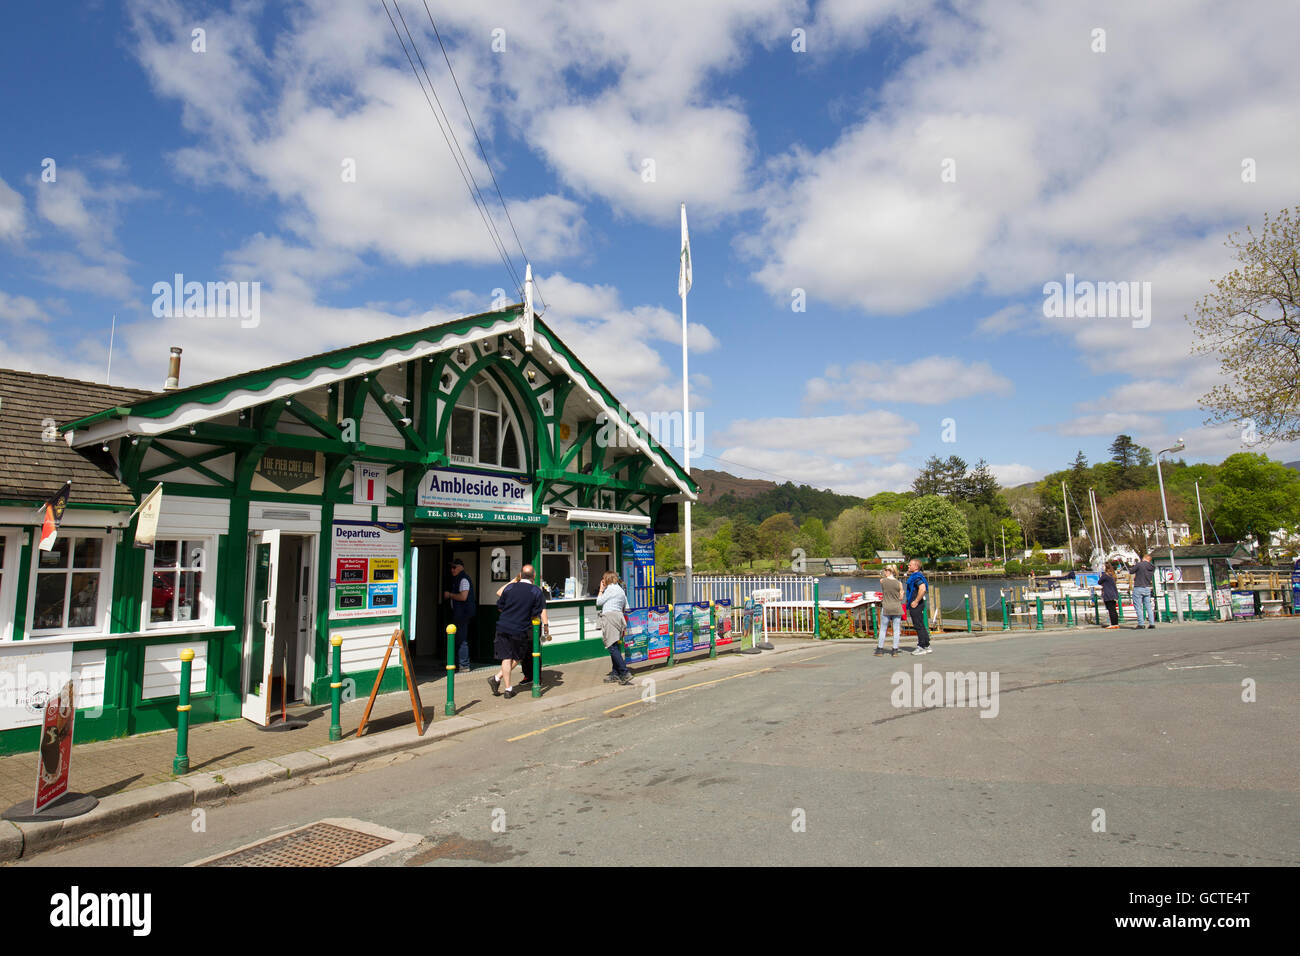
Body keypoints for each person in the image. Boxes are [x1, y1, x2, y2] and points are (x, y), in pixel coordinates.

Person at [490, 564, 548, 699]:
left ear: (520, 575)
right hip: (519, 629)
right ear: (534, 576)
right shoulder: (536, 591)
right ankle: (499, 681)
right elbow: (537, 612)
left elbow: (500, 606)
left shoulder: (510, 588)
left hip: (503, 626)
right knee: (518, 657)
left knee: (506, 657)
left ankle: (508, 688)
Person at [595, 571, 632, 684]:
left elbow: (598, 602)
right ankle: (615, 674)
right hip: (619, 618)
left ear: (607, 579)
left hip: (610, 617)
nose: (602, 580)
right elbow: (627, 606)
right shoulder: (620, 590)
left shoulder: (610, 589)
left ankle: (625, 672)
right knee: (615, 645)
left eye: (603, 579)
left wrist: (601, 589)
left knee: (611, 647)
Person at [443, 558, 476, 672]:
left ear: (461, 567)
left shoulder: (463, 580)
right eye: (451, 567)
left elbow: (463, 597)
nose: (452, 570)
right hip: (458, 613)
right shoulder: (457, 579)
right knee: (457, 638)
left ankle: (464, 665)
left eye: (454, 567)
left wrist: (450, 595)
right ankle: (457, 663)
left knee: (461, 639)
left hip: (462, 614)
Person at [905, 558, 932, 655]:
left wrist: (916, 601)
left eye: (910, 565)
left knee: (918, 625)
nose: (908, 566)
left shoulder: (916, 577)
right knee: (921, 624)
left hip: (916, 604)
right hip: (917, 604)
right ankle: (927, 645)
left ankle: (921, 646)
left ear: (916, 566)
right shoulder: (916, 576)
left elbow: (923, 588)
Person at [876, 564, 904, 657]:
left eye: (885, 570)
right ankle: (895, 650)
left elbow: (882, 581)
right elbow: (901, 597)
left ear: (888, 571)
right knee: (896, 630)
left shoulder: (882, 581)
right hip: (896, 607)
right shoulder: (899, 583)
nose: (884, 572)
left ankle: (880, 649)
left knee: (883, 629)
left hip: (886, 607)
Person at [1131, 552, 1156, 629]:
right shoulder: (1152, 567)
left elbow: (1131, 571)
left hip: (1138, 586)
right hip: (1147, 587)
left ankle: (1141, 623)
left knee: (1138, 606)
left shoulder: (1139, 564)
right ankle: (1152, 623)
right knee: (1148, 606)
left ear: (1143, 558)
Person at [1099, 561, 1120, 629]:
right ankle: (1116, 623)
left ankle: (1113, 624)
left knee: (1111, 609)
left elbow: (1099, 582)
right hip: (1113, 593)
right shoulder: (1113, 575)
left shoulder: (1105, 575)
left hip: (1108, 594)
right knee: (1113, 609)